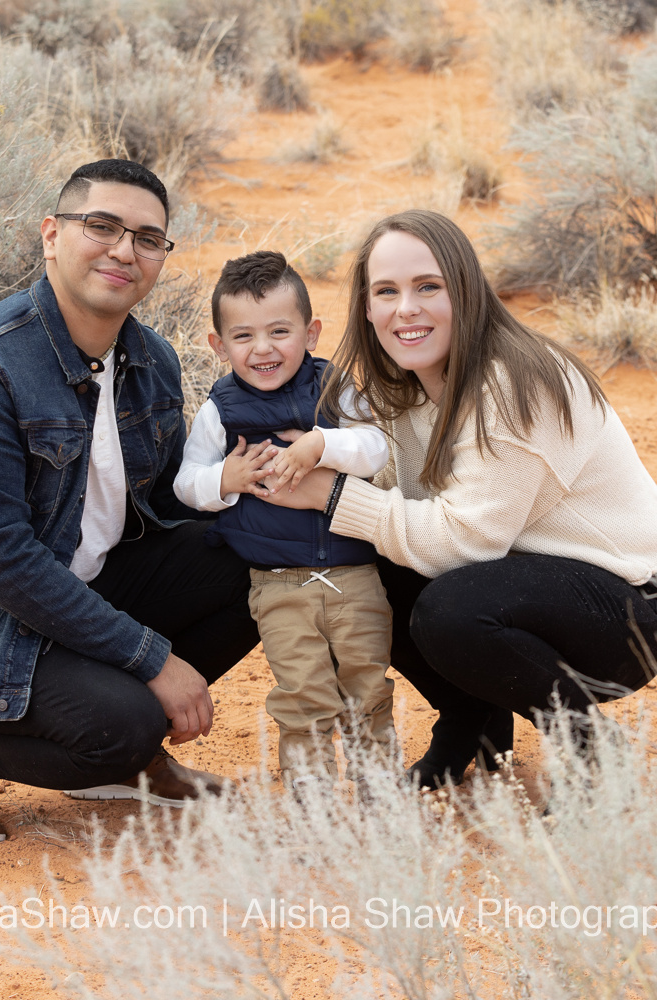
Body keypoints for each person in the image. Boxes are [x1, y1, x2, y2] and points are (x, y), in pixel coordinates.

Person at [0, 159, 259, 845]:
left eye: (147, 238)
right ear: (52, 234)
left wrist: (246, 485)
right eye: (101, 226)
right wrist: (152, 660)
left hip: (73, 589)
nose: (123, 250)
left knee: (254, 558)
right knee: (124, 724)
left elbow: (161, 509)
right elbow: (4, 562)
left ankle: (124, 752)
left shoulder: (151, 360)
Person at [261, 209, 657, 788]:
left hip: (625, 610)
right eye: (386, 292)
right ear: (367, 309)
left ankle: (593, 749)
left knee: (451, 609)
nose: (406, 309)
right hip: (528, 585)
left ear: (465, 290)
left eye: (428, 287)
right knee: (370, 570)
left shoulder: (514, 381)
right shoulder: (407, 389)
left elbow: (463, 543)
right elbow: (404, 515)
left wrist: (331, 495)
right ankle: (472, 729)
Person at [173, 251, 394, 792]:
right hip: (278, 584)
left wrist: (323, 444)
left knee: (368, 684)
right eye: (243, 336)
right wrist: (226, 480)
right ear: (219, 346)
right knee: (303, 693)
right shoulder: (219, 409)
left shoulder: (334, 389)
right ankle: (313, 802)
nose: (263, 348)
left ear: (311, 333)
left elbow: (375, 448)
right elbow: (186, 483)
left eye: (279, 330)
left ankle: (379, 795)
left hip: (355, 575)